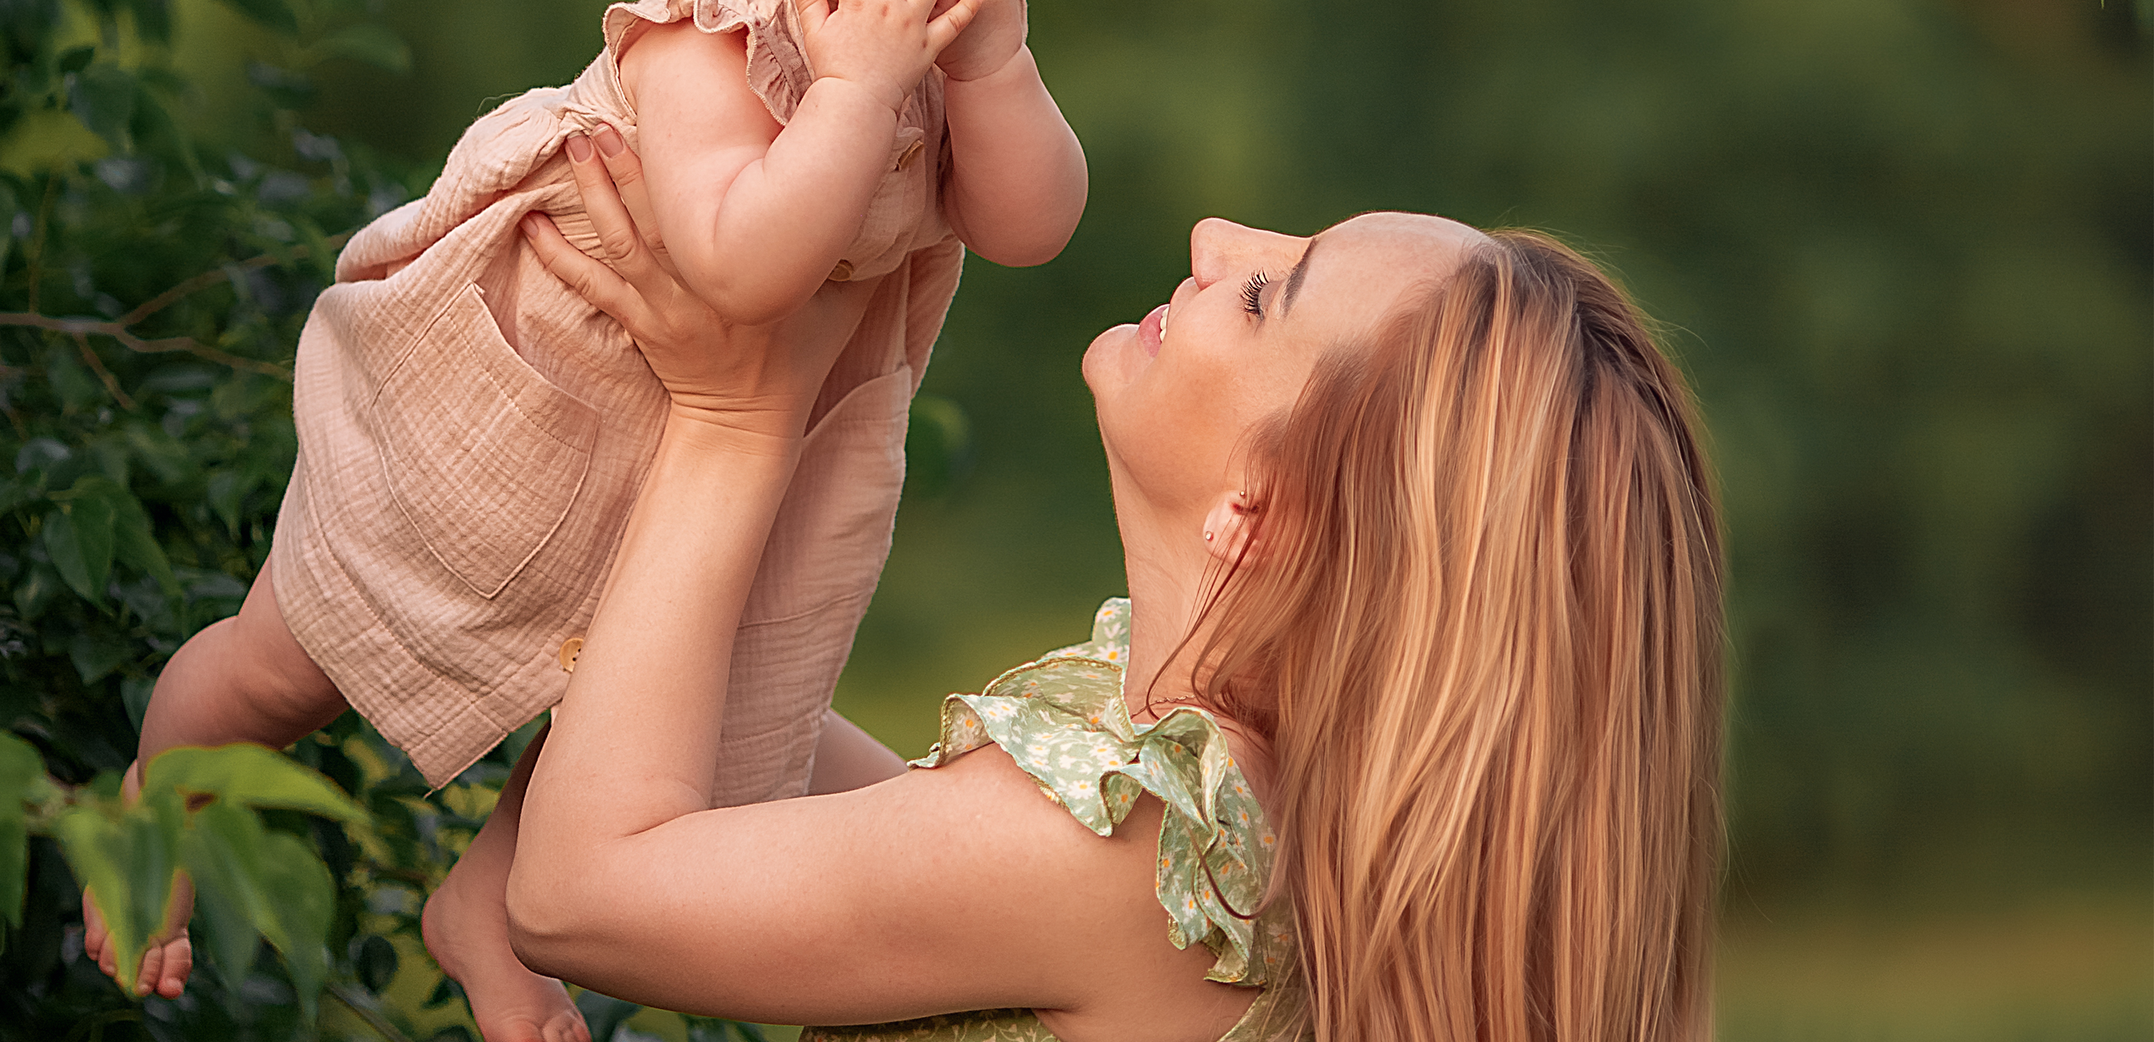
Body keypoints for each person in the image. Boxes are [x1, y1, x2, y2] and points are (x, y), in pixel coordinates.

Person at [84, 0, 1088, 1033]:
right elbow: (740, 266)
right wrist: (861, 95)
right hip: (535, 409)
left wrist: (998, 68)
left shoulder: (944, 33)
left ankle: (490, 922)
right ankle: (160, 788)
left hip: (728, 460)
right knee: (289, 657)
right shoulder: (701, 40)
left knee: (673, 707)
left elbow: (1034, 224)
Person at [501, 137, 1725, 1042]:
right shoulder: (1239, 839)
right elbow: (794, 798)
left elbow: (575, 898)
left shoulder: (1126, 855)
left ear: (1260, 505)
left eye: (1263, 295)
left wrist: (733, 420)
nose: (1211, 240)